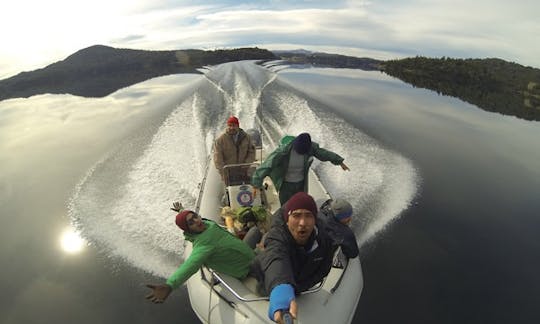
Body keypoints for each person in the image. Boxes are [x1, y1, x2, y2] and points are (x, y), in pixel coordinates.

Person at [145, 204, 256, 304]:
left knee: (255, 231)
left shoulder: (206, 224)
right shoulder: (203, 245)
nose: (197, 221)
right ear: (188, 230)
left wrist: (181, 211)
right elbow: (190, 265)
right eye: (191, 223)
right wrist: (170, 285)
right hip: (246, 267)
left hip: (247, 252)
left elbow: (190, 219)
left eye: (195, 217)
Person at [251, 192, 335, 323]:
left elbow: (323, 269)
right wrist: (281, 288)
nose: (302, 223)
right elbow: (276, 258)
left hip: (300, 288)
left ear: (315, 220)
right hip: (271, 284)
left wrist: (299, 287)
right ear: (287, 220)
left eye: (308, 216)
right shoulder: (277, 237)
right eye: (296, 216)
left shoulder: (324, 242)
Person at [251, 132, 349, 205]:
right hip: (285, 185)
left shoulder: (310, 148)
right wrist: (256, 184)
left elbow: (323, 154)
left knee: (301, 205)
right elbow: (267, 165)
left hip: (301, 184)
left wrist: (339, 161)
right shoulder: (283, 151)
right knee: (286, 207)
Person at [214, 116, 256, 184]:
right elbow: (218, 159)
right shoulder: (220, 140)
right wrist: (224, 173)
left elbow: (251, 152)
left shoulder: (247, 138)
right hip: (229, 174)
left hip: (244, 171)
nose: (232, 128)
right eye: (230, 125)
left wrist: (246, 165)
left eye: (234, 125)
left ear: (238, 126)